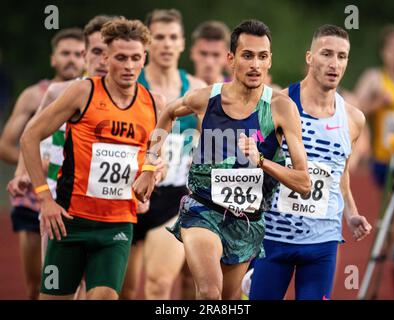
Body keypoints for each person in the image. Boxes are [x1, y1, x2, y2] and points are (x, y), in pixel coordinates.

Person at [133, 19, 310, 300]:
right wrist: (149, 164)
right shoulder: (207, 98)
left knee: (228, 300)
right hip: (203, 209)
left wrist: (262, 161)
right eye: (247, 55)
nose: (255, 64)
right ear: (231, 59)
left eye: (262, 57)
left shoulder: (281, 109)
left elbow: (304, 183)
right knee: (209, 292)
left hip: (247, 219)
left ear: (270, 61)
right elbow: (166, 113)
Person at [20, 17, 163, 300]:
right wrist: (45, 199)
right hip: (70, 222)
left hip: (118, 226)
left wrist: (152, 172)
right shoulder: (82, 92)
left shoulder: (154, 102)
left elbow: (157, 152)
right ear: (106, 56)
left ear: (145, 58)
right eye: (121, 58)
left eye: (136, 58)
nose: (129, 66)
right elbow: (30, 136)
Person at [249, 24, 372, 300]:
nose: (334, 63)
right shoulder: (279, 104)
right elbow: (254, 160)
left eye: (342, 56)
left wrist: (350, 213)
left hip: (322, 241)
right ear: (309, 57)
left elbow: (339, 171)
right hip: (274, 236)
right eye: (326, 54)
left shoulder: (353, 118)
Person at [7, 15, 116, 300]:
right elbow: (33, 134)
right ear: (85, 54)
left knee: (96, 288)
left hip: (108, 206)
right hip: (60, 202)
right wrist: (22, 174)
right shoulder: (58, 92)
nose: (104, 60)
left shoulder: (130, 98)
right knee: (60, 286)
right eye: (96, 51)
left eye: (110, 53)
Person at [120, 9, 206, 300]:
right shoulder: (130, 83)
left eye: (173, 37)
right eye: (159, 37)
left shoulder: (195, 89)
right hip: (126, 194)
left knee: (158, 284)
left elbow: (209, 144)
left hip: (173, 196)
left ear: (182, 43)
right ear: (147, 42)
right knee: (125, 290)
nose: (167, 44)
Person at [0, 28, 85, 299]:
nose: (71, 59)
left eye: (77, 53)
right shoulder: (35, 95)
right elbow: (6, 145)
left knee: (76, 283)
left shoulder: (90, 96)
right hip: (30, 197)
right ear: (53, 58)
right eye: (65, 53)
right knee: (37, 282)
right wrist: (33, 168)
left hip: (69, 195)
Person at [355, 25, 394, 187]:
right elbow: (351, 111)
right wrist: (377, 103)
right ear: (383, 52)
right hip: (382, 159)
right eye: (393, 49)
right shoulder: (374, 78)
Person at [190, 20, 230, 85]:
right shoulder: (179, 89)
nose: (209, 62)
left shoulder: (239, 91)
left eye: (216, 55)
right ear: (192, 53)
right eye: (203, 54)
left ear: (228, 57)